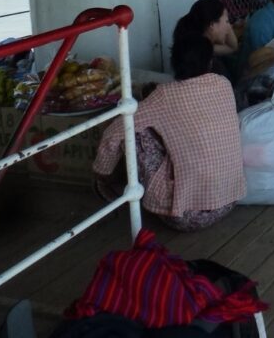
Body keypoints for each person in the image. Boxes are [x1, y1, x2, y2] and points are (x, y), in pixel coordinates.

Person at [93, 35, 245, 232]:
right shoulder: (223, 84)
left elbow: (114, 133)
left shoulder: (164, 96)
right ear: (210, 62)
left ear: (174, 63)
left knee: (135, 130)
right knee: (171, 130)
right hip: (229, 200)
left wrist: (101, 171)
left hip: (187, 216)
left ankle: (109, 186)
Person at [173, 0, 239, 80]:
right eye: (227, 21)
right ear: (212, 25)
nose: (230, 27)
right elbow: (232, 47)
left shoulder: (199, 46)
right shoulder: (204, 58)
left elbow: (232, 47)